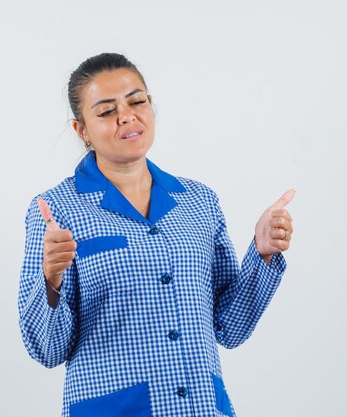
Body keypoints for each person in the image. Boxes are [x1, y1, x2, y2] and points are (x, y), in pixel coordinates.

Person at [18, 53, 294, 417]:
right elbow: (47, 350)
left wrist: (262, 254)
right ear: (81, 129)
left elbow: (230, 327)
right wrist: (50, 281)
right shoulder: (57, 211)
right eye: (105, 111)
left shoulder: (198, 201)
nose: (127, 116)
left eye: (137, 101)